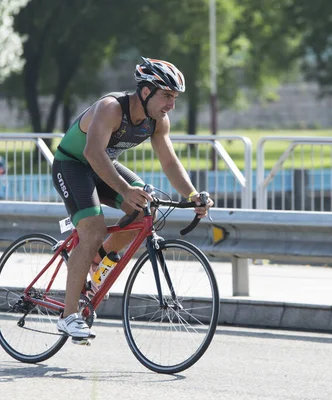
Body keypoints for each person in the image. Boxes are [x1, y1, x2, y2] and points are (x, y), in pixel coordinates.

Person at [51, 57, 214, 342]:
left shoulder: (158, 121)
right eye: (166, 96)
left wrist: (192, 194)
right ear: (146, 91)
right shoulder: (111, 108)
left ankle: (98, 260)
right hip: (73, 164)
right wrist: (126, 190)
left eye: (174, 98)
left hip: (102, 167)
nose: (170, 105)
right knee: (93, 230)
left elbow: (170, 162)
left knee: (145, 207)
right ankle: (68, 316)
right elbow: (93, 153)